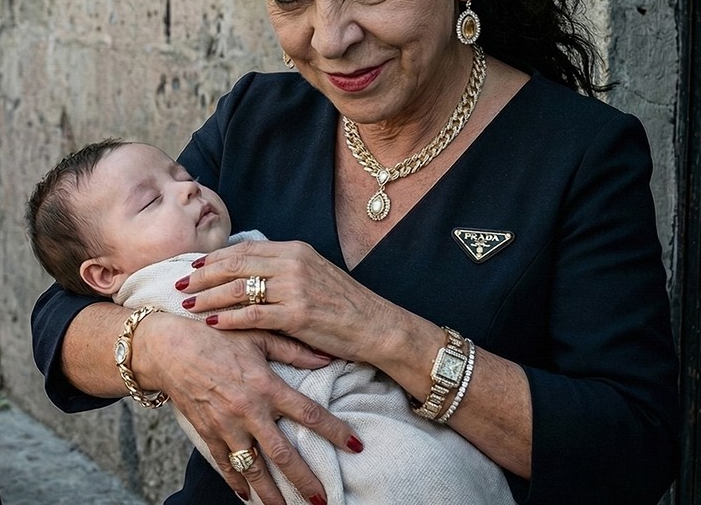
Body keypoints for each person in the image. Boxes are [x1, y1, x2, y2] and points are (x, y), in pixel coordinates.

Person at [29, 0, 680, 504]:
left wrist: (383, 332)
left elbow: (634, 446)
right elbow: (62, 317)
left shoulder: (579, 154)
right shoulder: (257, 120)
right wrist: (162, 347)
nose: (330, 37)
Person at [27, 139, 513, 505]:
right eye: (151, 201)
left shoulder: (215, 246)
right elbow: (54, 319)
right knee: (421, 477)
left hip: (377, 412)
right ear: (106, 275)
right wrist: (155, 342)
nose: (188, 187)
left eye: (183, 174)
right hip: (324, 437)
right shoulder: (166, 286)